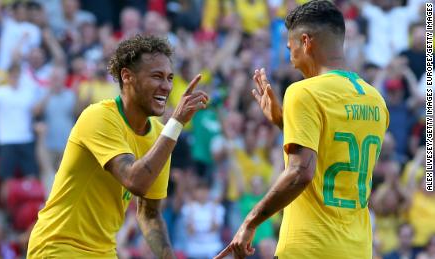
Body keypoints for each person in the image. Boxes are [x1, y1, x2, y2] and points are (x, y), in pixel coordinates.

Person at [215, 1, 389, 258]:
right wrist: (286, 125)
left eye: (290, 48)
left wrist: (250, 221)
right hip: (358, 249)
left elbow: (301, 171)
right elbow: (334, 154)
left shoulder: (303, 92)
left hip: (309, 248)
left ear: (306, 42)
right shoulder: (375, 100)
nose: (292, 60)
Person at [27, 35, 209, 258]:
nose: (166, 86)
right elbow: (136, 181)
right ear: (127, 76)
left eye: (170, 78)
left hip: (104, 252)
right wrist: (177, 123)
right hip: (58, 246)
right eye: (157, 76)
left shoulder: (161, 134)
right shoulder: (99, 117)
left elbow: (149, 213)